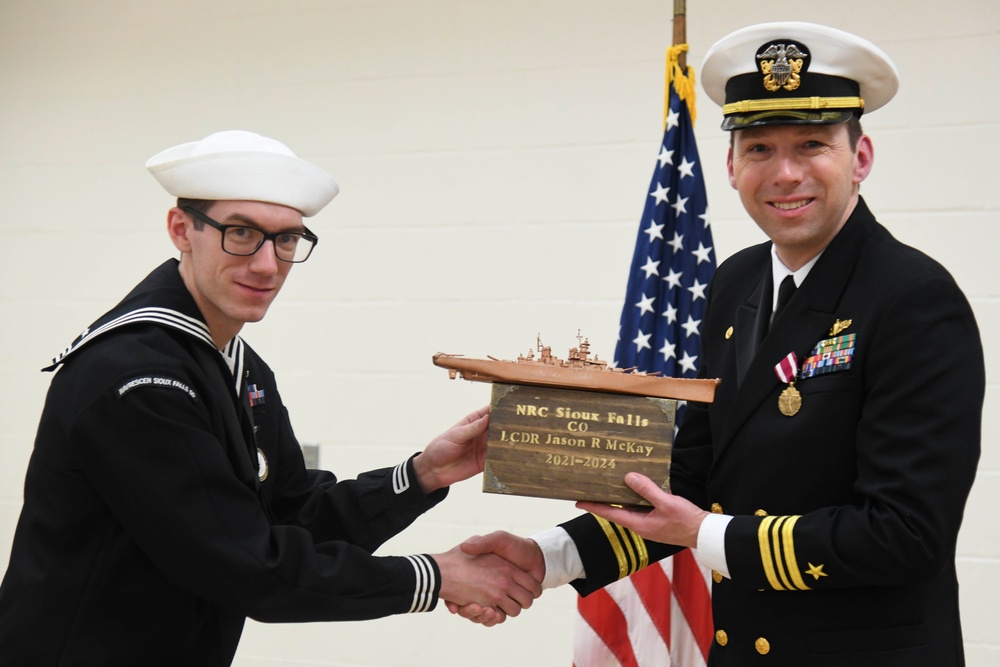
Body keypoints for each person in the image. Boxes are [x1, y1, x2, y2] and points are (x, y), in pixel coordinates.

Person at [453, 22, 985, 665]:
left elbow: (905, 535)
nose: (785, 172)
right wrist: (548, 555)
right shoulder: (734, 283)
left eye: (812, 143)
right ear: (732, 167)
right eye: (759, 148)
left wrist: (705, 535)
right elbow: (695, 477)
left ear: (861, 158)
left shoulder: (912, 298)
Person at [0, 130, 541, 665]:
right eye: (241, 233)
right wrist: (440, 575)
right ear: (181, 229)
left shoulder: (235, 364)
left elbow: (291, 521)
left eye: (286, 239)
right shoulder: (138, 377)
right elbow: (248, 568)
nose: (267, 264)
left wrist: (422, 474)